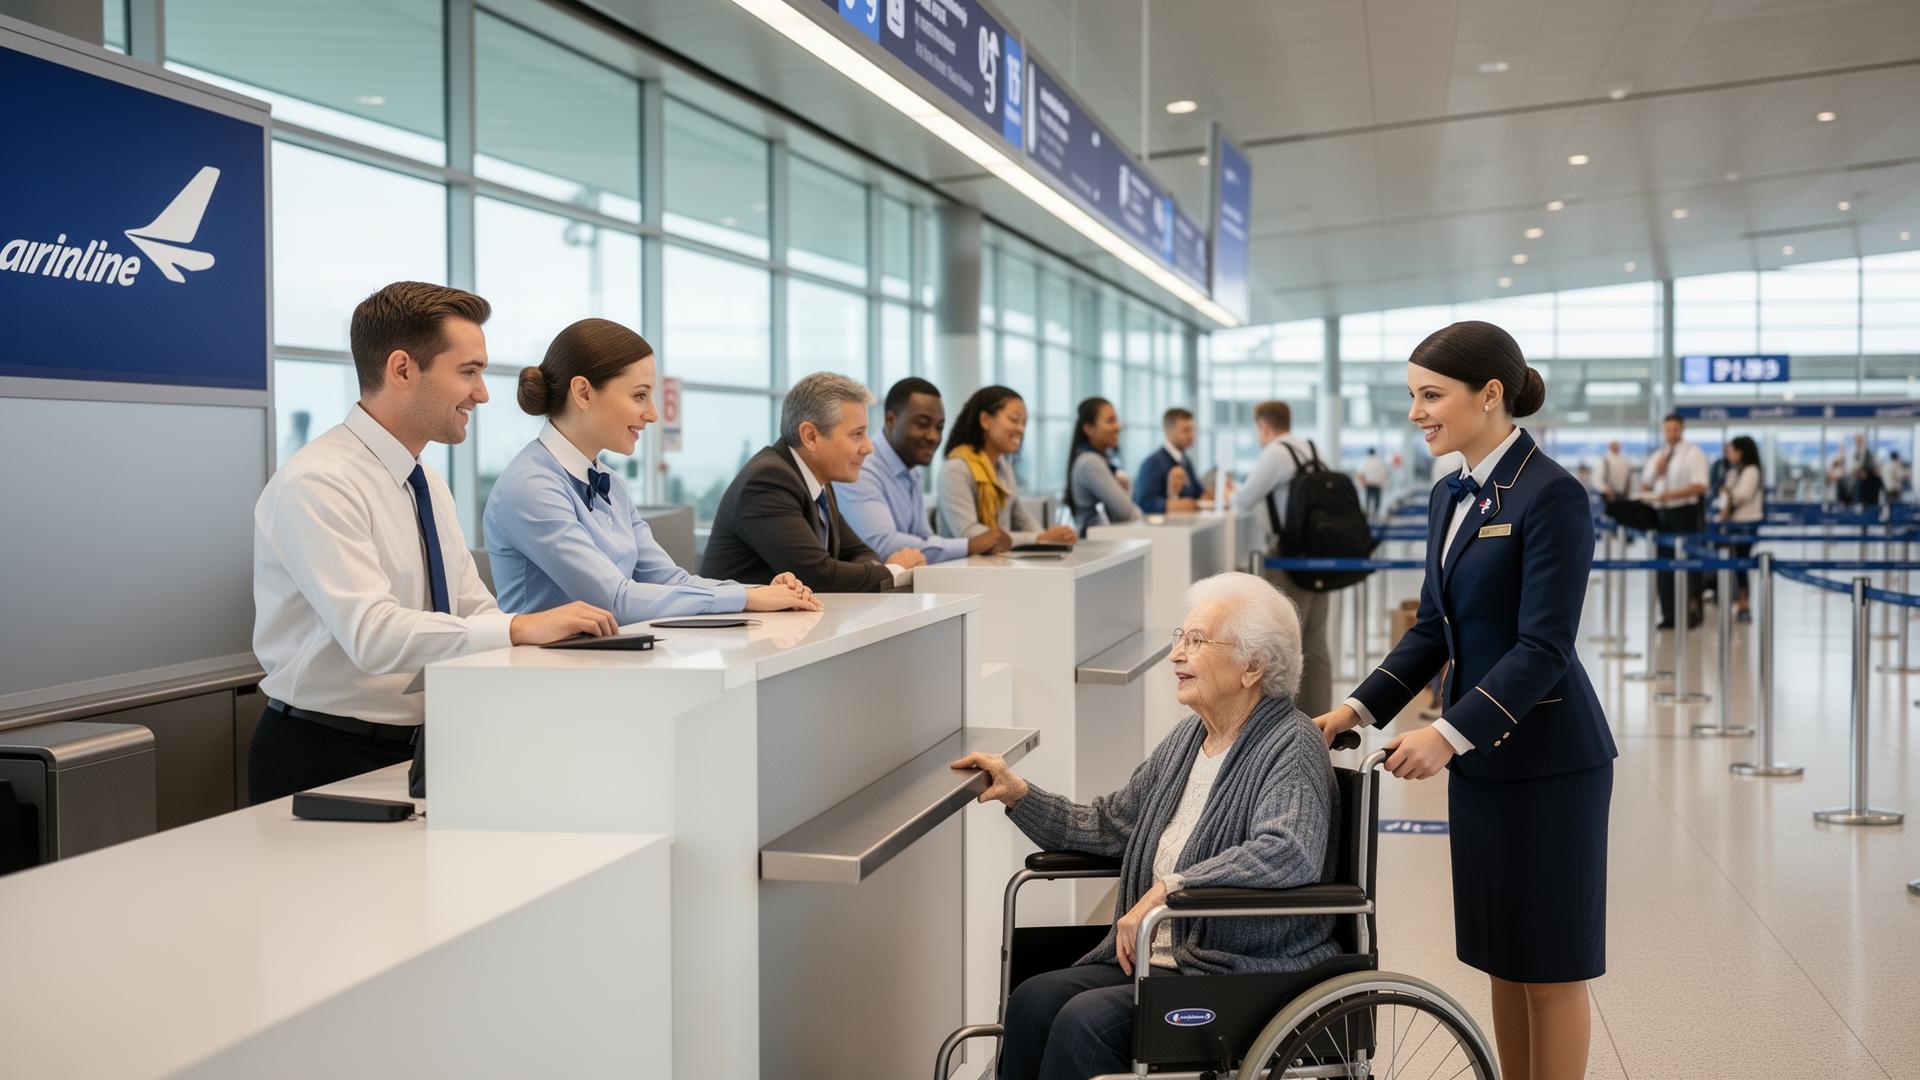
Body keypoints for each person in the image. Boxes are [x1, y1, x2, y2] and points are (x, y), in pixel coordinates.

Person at [1313, 320, 1616, 1080]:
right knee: (1503, 959)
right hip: (1486, 765)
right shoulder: (1451, 495)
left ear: (1489, 395)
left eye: (1430, 395)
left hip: (1550, 765)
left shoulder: (1552, 495)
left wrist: (1447, 735)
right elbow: (1433, 630)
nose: (1415, 412)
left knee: (1549, 967)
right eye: (1411, 395)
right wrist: (1356, 709)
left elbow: (1544, 648)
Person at [953, 572, 1339, 1080]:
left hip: (1235, 968)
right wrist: (1020, 795)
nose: (1177, 654)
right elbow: (1112, 824)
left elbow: (1288, 850)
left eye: (1196, 641)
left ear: (1252, 667)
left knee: (1082, 1024)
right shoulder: (1187, 740)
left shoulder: (1292, 745)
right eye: (1180, 637)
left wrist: (1168, 891)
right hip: (1159, 957)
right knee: (1033, 999)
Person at [250, 282, 617, 805]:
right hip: (325, 753)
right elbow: (372, 634)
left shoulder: (425, 482)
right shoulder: (319, 482)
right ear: (402, 370)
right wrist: (517, 628)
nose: (483, 393)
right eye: (468, 372)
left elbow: (470, 607)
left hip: (424, 744)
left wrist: (552, 642)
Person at [484, 318, 818, 622]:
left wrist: (761, 592)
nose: (653, 414)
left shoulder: (610, 483)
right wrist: (744, 597)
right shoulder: (531, 487)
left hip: (604, 668)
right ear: (583, 393)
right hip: (543, 678)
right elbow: (616, 600)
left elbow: (671, 580)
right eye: (640, 396)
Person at [700, 372, 926, 591]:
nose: (868, 447)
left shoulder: (818, 481)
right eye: (857, 434)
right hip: (738, 627)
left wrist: (860, 570)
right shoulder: (767, 481)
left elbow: (860, 553)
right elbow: (818, 577)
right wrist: (894, 570)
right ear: (810, 436)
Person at [1228, 400, 1332, 715]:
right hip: (1319, 554)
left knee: (1284, 644)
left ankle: (1287, 726)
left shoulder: (1275, 452)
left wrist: (1229, 492)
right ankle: (1320, 722)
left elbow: (1244, 501)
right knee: (1315, 642)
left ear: (1263, 426)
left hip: (1288, 559)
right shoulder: (1311, 449)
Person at [836, 377, 1011, 562]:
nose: (933, 436)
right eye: (922, 424)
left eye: (939, 427)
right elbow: (883, 544)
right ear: (890, 420)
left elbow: (924, 537)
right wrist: (969, 545)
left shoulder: (912, 471)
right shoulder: (862, 467)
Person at [936, 386, 1079, 547]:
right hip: (962, 567)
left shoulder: (1003, 466)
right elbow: (968, 533)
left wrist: (1049, 539)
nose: (1021, 429)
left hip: (998, 562)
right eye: (1014, 420)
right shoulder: (956, 469)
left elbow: (1021, 518)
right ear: (985, 420)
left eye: (1024, 423)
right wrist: (1038, 538)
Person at [1641, 413, 1710, 629]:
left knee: (1689, 564)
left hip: (1686, 513)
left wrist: (1671, 495)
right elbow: (1645, 486)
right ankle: (1669, 614)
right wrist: (1657, 471)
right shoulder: (1658, 455)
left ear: (1682, 429)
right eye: (1668, 429)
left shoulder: (1693, 453)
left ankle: (1692, 611)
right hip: (1662, 515)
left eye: (1675, 429)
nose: (1671, 433)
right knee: (1664, 566)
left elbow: (1700, 486)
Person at [1065, 397, 1144, 533]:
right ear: (1089, 429)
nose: (1117, 426)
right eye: (1110, 421)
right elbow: (1126, 511)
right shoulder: (1090, 462)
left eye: (1116, 420)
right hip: (1095, 544)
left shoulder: (1100, 459)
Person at [1716, 435, 1763, 623]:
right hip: (1733, 523)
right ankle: (1737, 600)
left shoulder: (1751, 471)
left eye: (1732, 450)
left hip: (1746, 524)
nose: (1729, 454)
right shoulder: (1734, 471)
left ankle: (1745, 603)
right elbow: (1725, 495)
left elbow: (1743, 495)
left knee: (1741, 563)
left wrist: (1728, 493)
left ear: (1741, 452)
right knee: (1736, 564)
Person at [1133, 407, 1208, 514]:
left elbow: (1198, 493)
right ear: (1168, 432)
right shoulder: (1153, 463)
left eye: (1192, 430)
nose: (1191, 435)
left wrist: (1209, 494)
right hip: (1164, 528)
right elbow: (1144, 502)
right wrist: (1175, 505)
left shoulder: (1186, 461)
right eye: (1185, 430)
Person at [1356, 448, 1389, 520]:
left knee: (1368, 498)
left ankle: (1368, 513)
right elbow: (1384, 473)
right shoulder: (1379, 461)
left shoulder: (1365, 461)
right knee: (1377, 498)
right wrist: (1384, 483)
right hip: (1377, 483)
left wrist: (1362, 483)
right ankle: (1375, 513)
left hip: (1368, 483)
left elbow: (1361, 473)